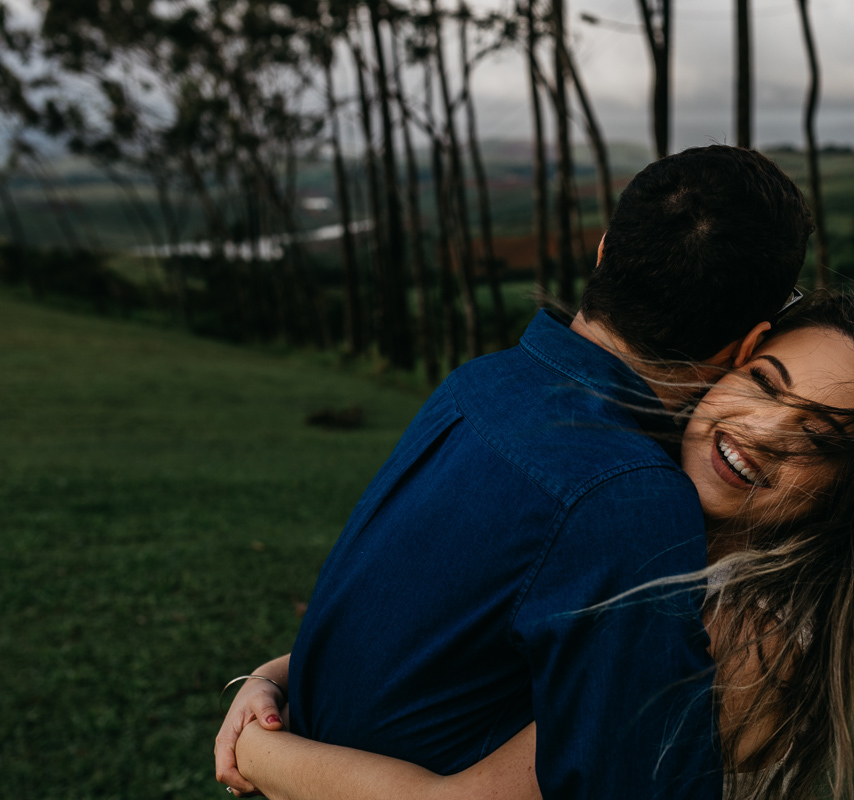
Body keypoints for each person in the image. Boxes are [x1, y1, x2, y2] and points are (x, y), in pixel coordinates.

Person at [216, 145, 814, 800]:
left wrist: (268, 689)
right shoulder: (630, 497)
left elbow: (399, 630)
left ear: (606, 251)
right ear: (749, 345)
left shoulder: (476, 385)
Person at [220, 290, 854, 800]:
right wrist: (272, 680)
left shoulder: (741, 637)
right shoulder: (633, 528)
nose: (766, 434)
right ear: (722, 368)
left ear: (840, 495)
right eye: (764, 383)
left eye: (817, 439)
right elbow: (464, 651)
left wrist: (259, 752)